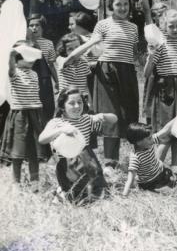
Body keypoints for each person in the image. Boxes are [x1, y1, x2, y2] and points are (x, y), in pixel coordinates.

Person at [62, 0, 152, 162]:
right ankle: (111, 163)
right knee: (111, 116)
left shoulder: (133, 27)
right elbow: (91, 46)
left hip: (127, 72)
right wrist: (71, 57)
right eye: (118, 4)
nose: (123, 8)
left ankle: (139, 160)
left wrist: (150, 55)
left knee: (129, 116)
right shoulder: (102, 25)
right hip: (107, 72)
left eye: (125, 4)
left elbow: (134, 54)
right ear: (111, 6)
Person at [39, 88, 116, 203]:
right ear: (62, 106)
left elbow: (114, 119)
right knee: (75, 196)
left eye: (79, 102)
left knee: (99, 194)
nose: (77, 106)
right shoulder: (56, 122)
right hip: (67, 165)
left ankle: (90, 190)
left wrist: (102, 115)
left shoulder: (86, 119)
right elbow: (42, 139)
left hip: (88, 162)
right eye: (71, 103)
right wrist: (61, 130)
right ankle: (64, 191)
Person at [144, 9, 177, 170]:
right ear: (163, 26)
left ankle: (175, 167)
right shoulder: (160, 46)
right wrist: (150, 56)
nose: (175, 29)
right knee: (166, 131)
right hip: (166, 90)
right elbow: (146, 73)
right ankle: (154, 168)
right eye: (171, 26)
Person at [1, 41, 45, 185]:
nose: (31, 60)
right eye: (27, 56)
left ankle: (35, 181)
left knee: (34, 151)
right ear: (17, 58)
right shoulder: (15, 73)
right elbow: (11, 69)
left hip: (35, 113)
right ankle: (16, 182)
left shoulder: (34, 74)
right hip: (20, 115)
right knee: (17, 152)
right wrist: (12, 55)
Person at [123, 119, 177, 196]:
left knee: (175, 182)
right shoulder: (135, 158)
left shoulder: (148, 143)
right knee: (172, 191)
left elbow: (165, 130)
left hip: (161, 173)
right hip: (151, 182)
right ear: (139, 142)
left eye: (151, 137)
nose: (152, 140)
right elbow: (130, 179)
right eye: (149, 138)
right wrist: (125, 195)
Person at [27, 14, 59, 139]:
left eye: (37, 25)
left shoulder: (48, 43)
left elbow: (51, 65)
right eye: (31, 25)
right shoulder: (25, 42)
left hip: (45, 80)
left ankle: (48, 133)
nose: (34, 28)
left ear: (42, 27)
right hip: (31, 80)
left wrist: (57, 81)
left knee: (48, 107)